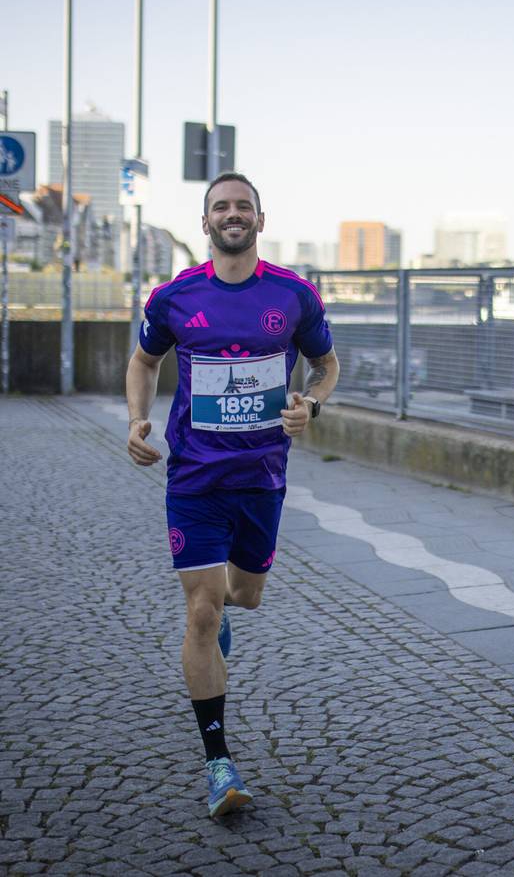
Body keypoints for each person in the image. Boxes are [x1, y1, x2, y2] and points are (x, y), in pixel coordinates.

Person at [125, 172, 339, 818]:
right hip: (193, 477)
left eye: (243, 206)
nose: (233, 214)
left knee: (243, 597)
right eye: (221, 206)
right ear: (206, 222)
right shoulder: (174, 297)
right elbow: (144, 362)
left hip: (262, 477)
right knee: (202, 610)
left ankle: (220, 622)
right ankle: (219, 761)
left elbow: (325, 366)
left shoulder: (295, 295)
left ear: (260, 219)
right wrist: (136, 418)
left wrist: (312, 406)